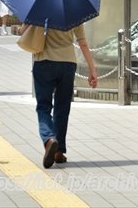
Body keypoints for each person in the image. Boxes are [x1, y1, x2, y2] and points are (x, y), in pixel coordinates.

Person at [29, 20, 98, 169]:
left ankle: (49, 139)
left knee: (44, 106)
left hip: (44, 61)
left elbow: (24, 31)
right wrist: (92, 70)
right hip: (67, 63)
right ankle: (59, 151)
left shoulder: (40, 9)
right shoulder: (74, 12)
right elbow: (83, 43)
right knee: (63, 107)